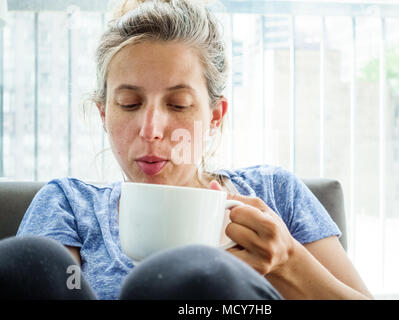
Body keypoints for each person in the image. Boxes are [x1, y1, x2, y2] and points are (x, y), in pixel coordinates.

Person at [0, 0, 372, 300]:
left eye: (178, 105)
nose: (151, 131)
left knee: (191, 275)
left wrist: (288, 264)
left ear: (214, 116)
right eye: (129, 104)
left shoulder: (275, 194)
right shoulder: (69, 205)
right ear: (103, 114)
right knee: (30, 261)